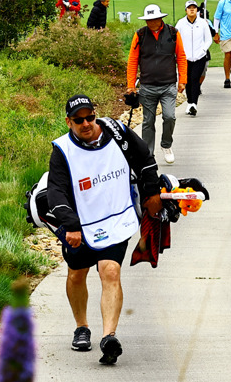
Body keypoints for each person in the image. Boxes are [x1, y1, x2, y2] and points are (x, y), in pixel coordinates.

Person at [47, 94, 163, 365]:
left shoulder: (118, 132)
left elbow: (145, 160)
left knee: (109, 270)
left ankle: (109, 336)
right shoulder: (62, 150)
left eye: (90, 117)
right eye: (79, 120)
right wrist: (70, 226)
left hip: (115, 218)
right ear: (69, 122)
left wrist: (152, 193)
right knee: (77, 275)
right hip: (81, 226)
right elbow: (56, 192)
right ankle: (81, 327)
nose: (86, 123)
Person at [125, 4, 187, 164]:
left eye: (153, 19)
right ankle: (148, 155)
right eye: (148, 20)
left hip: (168, 85)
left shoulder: (173, 33)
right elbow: (132, 60)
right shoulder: (140, 35)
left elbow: (181, 56)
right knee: (147, 121)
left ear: (160, 19)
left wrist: (183, 80)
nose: (151, 22)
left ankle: (166, 145)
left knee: (169, 117)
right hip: (147, 86)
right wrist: (131, 84)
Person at [175, 0, 213, 117]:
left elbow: (208, 40)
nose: (192, 9)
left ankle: (193, 104)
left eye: (194, 8)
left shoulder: (203, 23)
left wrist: (203, 50)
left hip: (199, 56)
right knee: (188, 81)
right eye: (189, 8)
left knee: (195, 79)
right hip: (184, 57)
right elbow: (176, 39)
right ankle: (189, 102)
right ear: (186, 10)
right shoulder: (180, 23)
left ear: (197, 10)